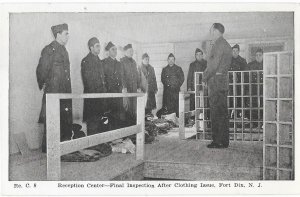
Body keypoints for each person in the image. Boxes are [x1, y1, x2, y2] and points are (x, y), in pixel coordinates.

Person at [36, 23, 72, 153]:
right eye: (66, 33)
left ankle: (61, 150)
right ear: (58, 34)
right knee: (52, 121)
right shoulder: (49, 50)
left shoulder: (64, 50)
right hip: (54, 92)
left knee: (64, 120)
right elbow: (41, 70)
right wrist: (46, 84)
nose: (68, 36)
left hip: (65, 92)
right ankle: (49, 151)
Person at [202, 23, 232, 149]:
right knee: (223, 113)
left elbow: (213, 66)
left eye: (211, 31)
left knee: (216, 112)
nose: (211, 33)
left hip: (215, 83)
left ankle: (217, 141)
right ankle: (224, 141)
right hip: (223, 82)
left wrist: (204, 77)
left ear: (215, 31)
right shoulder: (226, 44)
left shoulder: (218, 45)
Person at [81, 37, 107, 135]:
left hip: (101, 98)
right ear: (91, 48)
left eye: (99, 46)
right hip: (92, 99)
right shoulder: (86, 61)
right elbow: (88, 81)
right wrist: (97, 95)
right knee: (93, 123)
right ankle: (92, 146)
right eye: (97, 46)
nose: (99, 48)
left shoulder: (99, 61)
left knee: (101, 123)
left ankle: (99, 145)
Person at [102, 41, 127, 129]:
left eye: (116, 49)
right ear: (108, 51)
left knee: (118, 115)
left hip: (118, 94)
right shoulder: (103, 63)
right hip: (108, 94)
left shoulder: (119, 64)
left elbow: (122, 78)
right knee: (109, 116)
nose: (115, 51)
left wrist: (122, 88)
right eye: (113, 49)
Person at [120, 44, 143, 124]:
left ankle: (133, 126)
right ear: (125, 52)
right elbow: (121, 75)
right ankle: (127, 127)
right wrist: (124, 87)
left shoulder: (133, 62)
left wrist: (139, 86)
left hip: (134, 88)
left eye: (132, 51)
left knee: (134, 108)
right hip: (127, 89)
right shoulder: (122, 61)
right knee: (127, 107)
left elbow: (137, 75)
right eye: (130, 51)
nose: (131, 53)